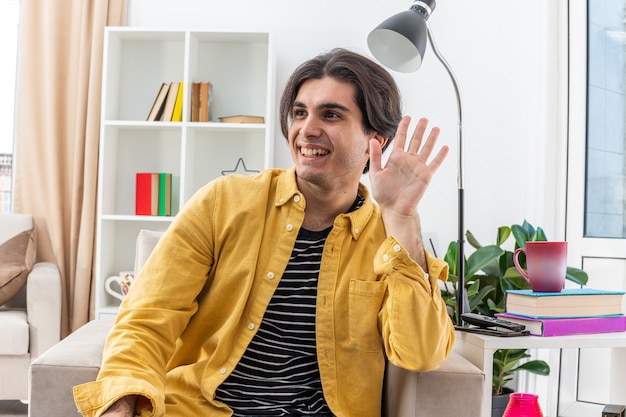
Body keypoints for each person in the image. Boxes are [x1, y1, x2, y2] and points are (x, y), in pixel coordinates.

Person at [73, 47, 455, 417]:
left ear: (376, 140)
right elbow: (147, 319)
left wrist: (401, 216)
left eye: (332, 115)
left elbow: (420, 352)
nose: (307, 129)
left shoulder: (387, 240)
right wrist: (120, 404)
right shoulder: (224, 202)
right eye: (299, 113)